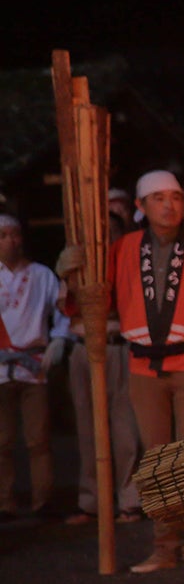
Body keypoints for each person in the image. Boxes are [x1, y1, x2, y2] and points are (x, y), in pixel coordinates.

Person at [62, 169, 184, 573]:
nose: (170, 205)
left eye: (176, 197)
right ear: (140, 207)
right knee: (156, 461)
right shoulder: (125, 248)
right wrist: (70, 275)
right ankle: (164, 546)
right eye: (159, 198)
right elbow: (96, 302)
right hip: (142, 365)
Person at [64, 210, 142, 524]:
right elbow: (65, 306)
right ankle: (92, 501)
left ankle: (129, 500)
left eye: (108, 230)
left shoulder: (129, 261)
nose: (102, 236)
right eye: (96, 230)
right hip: (83, 347)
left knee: (125, 429)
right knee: (87, 428)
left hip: (118, 346)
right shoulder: (77, 261)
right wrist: (69, 276)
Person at [0, 214, 69, 517]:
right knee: (2, 441)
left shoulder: (42, 274)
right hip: (1, 365)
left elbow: (63, 311)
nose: (10, 241)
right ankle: (5, 501)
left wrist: (58, 339)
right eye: (2, 235)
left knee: (38, 439)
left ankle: (44, 500)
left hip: (35, 362)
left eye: (14, 234)